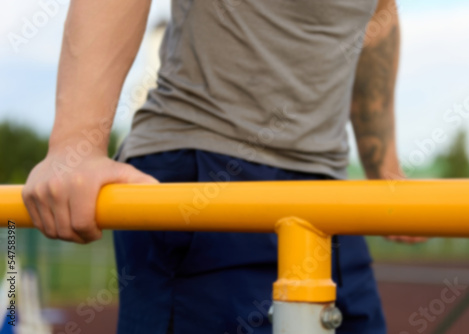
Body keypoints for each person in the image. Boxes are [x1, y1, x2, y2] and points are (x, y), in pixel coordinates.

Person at [22, 0, 425, 333]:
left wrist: (386, 172)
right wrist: (75, 145)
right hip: (207, 170)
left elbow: (379, 12)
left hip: (330, 193)